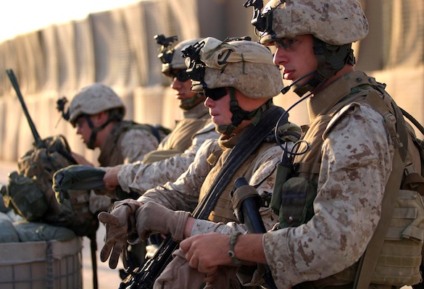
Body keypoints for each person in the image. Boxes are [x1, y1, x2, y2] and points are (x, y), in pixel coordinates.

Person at [177, 1, 424, 288]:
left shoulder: (356, 123)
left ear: (328, 42)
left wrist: (231, 248)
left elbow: (333, 243)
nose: (277, 59)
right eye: (275, 45)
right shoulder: (334, 117)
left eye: (289, 43)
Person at [98, 37, 300, 288]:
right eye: (205, 93)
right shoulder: (218, 149)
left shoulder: (278, 156)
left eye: (215, 92)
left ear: (252, 88)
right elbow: (177, 192)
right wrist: (136, 208)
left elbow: (261, 242)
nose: (207, 102)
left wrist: (178, 224)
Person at [102, 36, 219, 196]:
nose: (174, 85)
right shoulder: (185, 127)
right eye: (172, 77)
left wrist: (123, 175)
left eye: (183, 75)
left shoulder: (219, 123)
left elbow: (189, 168)